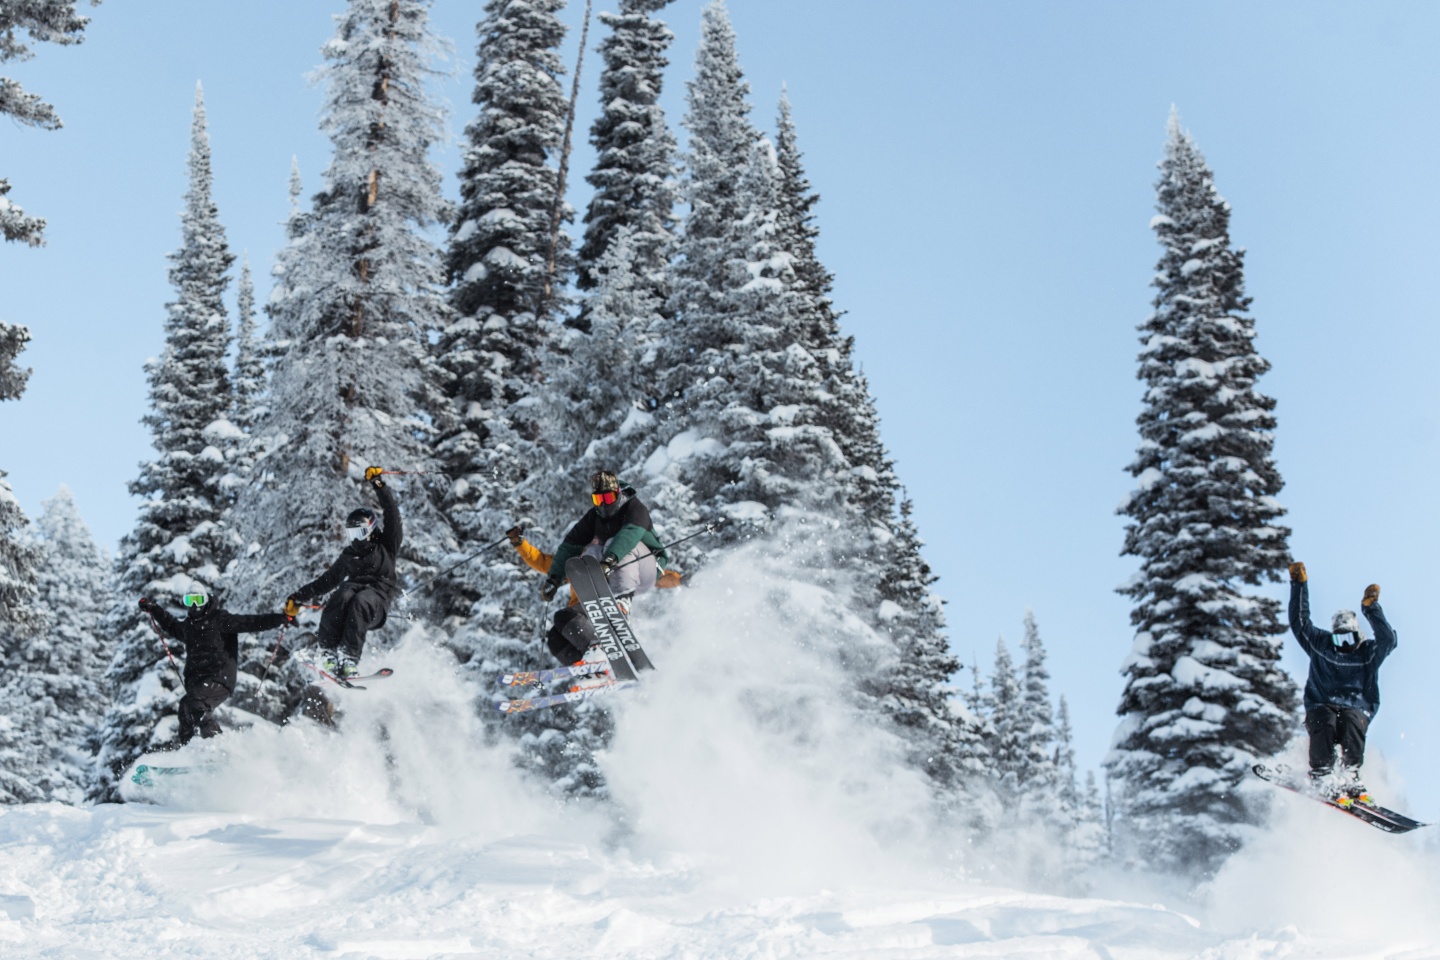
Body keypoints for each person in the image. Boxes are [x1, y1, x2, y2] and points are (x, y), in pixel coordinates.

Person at [535, 471, 672, 674]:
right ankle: (593, 669)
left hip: (646, 567)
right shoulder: (594, 516)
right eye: (598, 499)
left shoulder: (635, 508)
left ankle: (621, 603)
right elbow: (569, 546)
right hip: (611, 573)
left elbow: (629, 535)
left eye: (608, 498)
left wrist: (610, 560)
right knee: (561, 624)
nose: (603, 504)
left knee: (608, 544)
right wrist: (554, 579)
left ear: (618, 493)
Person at [1287, 561, 1398, 803]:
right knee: (1324, 719)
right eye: (1340, 639)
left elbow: (1388, 640)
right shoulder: (1321, 644)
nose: (1345, 646)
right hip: (1321, 703)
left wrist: (1371, 608)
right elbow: (1300, 622)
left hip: (1356, 706)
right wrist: (1299, 584)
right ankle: (1323, 774)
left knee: (1350, 721)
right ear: (1332, 636)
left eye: (1350, 639)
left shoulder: (1368, 652)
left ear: (1359, 635)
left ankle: (1350, 774)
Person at [139, 581, 291, 745]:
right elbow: (170, 624)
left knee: (194, 705)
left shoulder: (220, 619)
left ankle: (214, 745)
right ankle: (190, 749)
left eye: (198, 599)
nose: (195, 605)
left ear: (206, 600)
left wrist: (280, 619)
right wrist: (154, 609)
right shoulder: (189, 627)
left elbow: (250, 622)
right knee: (186, 708)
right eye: (190, 601)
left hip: (219, 677)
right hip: (198, 682)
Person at [285, 466, 401, 679]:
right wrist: (297, 597)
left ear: (373, 531)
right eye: (352, 534)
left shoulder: (387, 545)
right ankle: (328, 652)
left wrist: (378, 484)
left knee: (361, 599)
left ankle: (348, 658)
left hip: (377, 602)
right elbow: (326, 581)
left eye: (360, 533)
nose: (356, 540)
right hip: (354, 594)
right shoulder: (350, 555)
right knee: (343, 593)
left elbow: (392, 514)